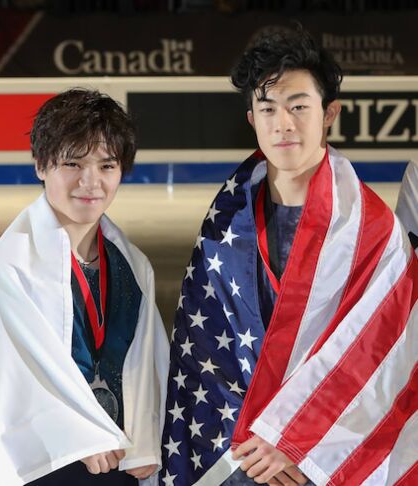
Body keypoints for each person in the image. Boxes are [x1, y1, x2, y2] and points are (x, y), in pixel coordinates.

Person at [160, 26, 417, 486]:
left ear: (330, 113)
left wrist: (294, 441)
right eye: (268, 108)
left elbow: (381, 360)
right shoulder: (225, 223)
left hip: (320, 459)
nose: (283, 123)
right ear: (251, 118)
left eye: (299, 106)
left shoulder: (377, 233)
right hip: (239, 454)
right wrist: (253, 448)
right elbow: (204, 355)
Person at [0, 89, 169, 485]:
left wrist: (144, 442)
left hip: (118, 464)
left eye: (107, 165)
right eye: (73, 163)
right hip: (38, 468)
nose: (91, 182)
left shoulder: (134, 266)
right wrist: (78, 434)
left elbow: (146, 362)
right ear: (40, 165)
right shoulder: (0, 271)